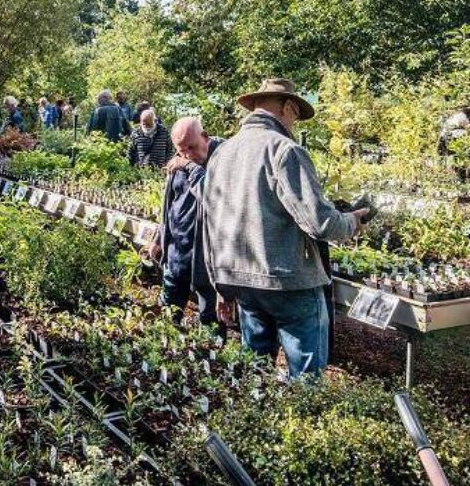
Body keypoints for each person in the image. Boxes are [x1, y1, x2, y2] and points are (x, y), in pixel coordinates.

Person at [203, 78, 367, 378]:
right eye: (295, 116)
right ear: (288, 107)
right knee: (304, 380)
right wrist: (353, 222)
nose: (296, 124)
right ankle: (302, 422)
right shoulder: (284, 150)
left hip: (241, 281)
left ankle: (258, 423)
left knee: (256, 373)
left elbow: (210, 224)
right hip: (288, 280)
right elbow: (320, 222)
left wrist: (219, 285)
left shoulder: (221, 154)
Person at [146, 117, 224, 329]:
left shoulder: (223, 158)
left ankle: (211, 357)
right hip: (176, 251)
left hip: (207, 259)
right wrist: (159, 237)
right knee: (170, 312)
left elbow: (214, 198)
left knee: (211, 320)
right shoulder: (178, 163)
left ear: (205, 136)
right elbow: (170, 203)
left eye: (192, 147)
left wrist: (189, 165)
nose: (188, 154)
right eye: (182, 150)